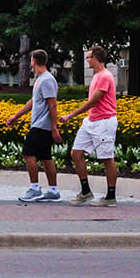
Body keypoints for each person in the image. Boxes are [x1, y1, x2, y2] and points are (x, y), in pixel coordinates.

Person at [58, 44, 120, 205]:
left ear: (96, 58)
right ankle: (86, 192)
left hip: (104, 122)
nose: (87, 60)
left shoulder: (105, 76)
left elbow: (93, 101)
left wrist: (70, 115)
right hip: (91, 121)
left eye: (89, 57)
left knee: (107, 159)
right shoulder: (97, 75)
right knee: (76, 153)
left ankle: (110, 197)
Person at [4, 49, 61, 202]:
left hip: (41, 126)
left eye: (31, 60)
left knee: (27, 153)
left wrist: (54, 128)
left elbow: (52, 105)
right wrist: (16, 116)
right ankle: (53, 191)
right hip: (40, 125)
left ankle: (35, 189)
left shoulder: (47, 80)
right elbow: (33, 101)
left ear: (34, 61)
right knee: (45, 157)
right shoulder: (41, 79)